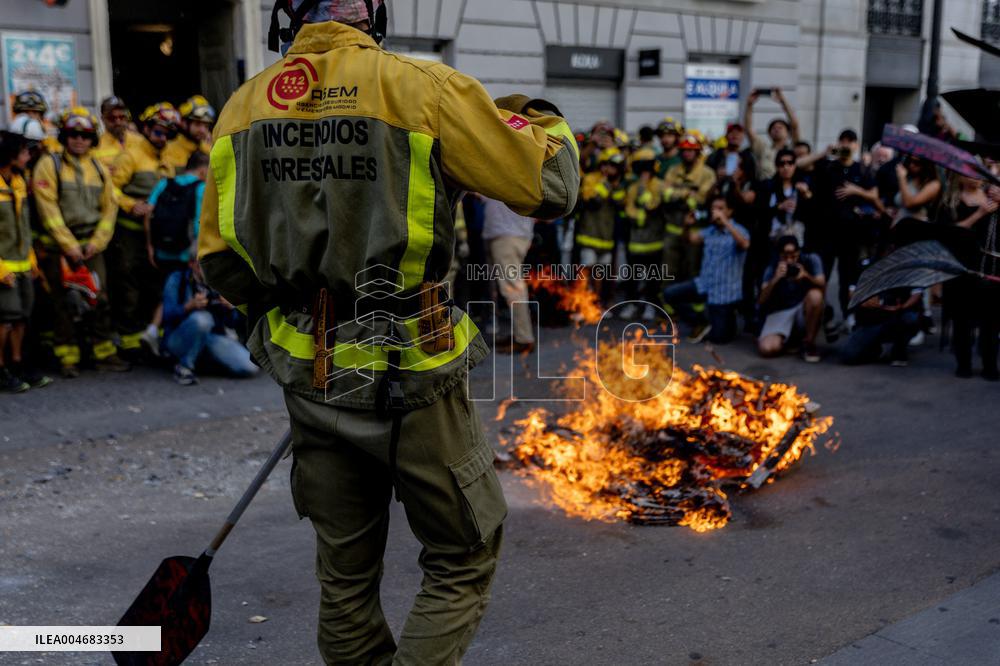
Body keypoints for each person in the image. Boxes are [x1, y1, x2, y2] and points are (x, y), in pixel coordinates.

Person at [197, 1, 579, 663]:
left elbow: (220, 259)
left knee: (344, 578)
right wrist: (536, 114)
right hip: (413, 372)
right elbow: (552, 184)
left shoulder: (243, 107)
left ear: (289, 17)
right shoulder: (424, 89)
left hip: (312, 376)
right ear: (374, 13)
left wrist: (299, 321)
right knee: (462, 554)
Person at [32, 108, 129, 377]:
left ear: (92, 139)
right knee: (63, 302)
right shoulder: (49, 165)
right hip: (60, 249)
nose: (79, 140)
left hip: (92, 247)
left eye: (85, 135)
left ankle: (104, 354)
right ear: (64, 135)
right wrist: (69, 245)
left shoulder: (98, 168)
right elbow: (47, 210)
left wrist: (97, 242)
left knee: (100, 298)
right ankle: (67, 357)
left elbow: (110, 208)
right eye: (73, 134)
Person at [109, 102, 178, 355]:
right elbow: (110, 190)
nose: (163, 138)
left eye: (168, 134)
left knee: (155, 284)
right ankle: (129, 342)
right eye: (158, 132)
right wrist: (130, 205)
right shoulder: (130, 156)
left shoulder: (167, 160)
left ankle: (154, 338)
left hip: (157, 235)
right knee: (129, 284)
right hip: (129, 233)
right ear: (146, 129)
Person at [661, 194, 750, 343]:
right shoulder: (710, 230)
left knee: (719, 339)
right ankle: (699, 322)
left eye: (720, 209)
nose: (716, 212)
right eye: (714, 208)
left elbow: (745, 244)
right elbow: (689, 239)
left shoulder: (739, 230)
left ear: (730, 211)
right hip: (705, 284)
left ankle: (728, 319)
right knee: (669, 294)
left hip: (724, 293)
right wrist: (687, 225)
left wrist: (726, 223)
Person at [0, 131, 47, 392]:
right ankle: (2, 369)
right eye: (23, 152)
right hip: (4, 266)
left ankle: (17, 364)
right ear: (10, 156)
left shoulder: (18, 182)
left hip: (22, 264)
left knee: (21, 318)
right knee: (4, 320)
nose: (28, 156)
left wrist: (32, 263)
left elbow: (25, 228)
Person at [161, 257, 256, 385]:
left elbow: (232, 323)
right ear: (191, 264)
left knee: (249, 367)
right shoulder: (178, 279)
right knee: (202, 319)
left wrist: (231, 308)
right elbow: (166, 316)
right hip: (178, 338)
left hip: (212, 338)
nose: (207, 269)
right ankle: (184, 367)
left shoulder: (217, 283)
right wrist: (188, 307)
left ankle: (201, 361)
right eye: (202, 264)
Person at [942, 176, 1000, 380]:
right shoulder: (950, 202)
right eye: (969, 173)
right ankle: (963, 363)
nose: (975, 178)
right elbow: (950, 233)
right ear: (959, 176)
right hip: (959, 267)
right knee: (962, 320)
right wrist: (980, 213)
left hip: (987, 269)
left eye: (978, 173)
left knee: (991, 321)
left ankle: (990, 366)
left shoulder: (992, 198)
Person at [757, 235, 826, 362]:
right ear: (779, 255)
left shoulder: (810, 259)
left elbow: (822, 285)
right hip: (779, 312)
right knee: (767, 349)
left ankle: (809, 343)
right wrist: (775, 279)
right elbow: (761, 300)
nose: (789, 261)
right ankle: (791, 341)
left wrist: (806, 275)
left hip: (802, 309)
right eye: (785, 257)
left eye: (793, 256)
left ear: (799, 252)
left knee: (816, 296)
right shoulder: (772, 265)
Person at [482, 196, 537, 353]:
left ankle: (524, 338)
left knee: (513, 289)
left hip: (508, 235)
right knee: (511, 288)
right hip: (503, 234)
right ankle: (520, 334)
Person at [662, 132, 716, 281]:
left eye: (691, 150)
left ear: (697, 152)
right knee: (669, 270)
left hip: (696, 230)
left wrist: (677, 193)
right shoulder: (673, 171)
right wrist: (687, 193)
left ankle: (694, 302)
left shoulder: (707, 174)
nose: (687, 154)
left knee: (693, 268)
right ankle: (667, 302)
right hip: (672, 229)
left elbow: (701, 199)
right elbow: (665, 194)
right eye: (685, 150)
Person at [575, 148, 625, 303]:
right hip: (589, 234)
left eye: (612, 166)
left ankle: (596, 303)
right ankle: (583, 303)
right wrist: (605, 185)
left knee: (601, 272)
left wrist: (614, 185)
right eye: (606, 164)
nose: (608, 169)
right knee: (585, 270)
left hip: (606, 236)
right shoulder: (591, 178)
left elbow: (620, 204)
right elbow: (592, 201)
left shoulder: (616, 183)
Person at [624, 148, 666, 321]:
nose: (644, 173)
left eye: (647, 169)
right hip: (636, 241)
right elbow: (629, 209)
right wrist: (639, 216)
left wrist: (644, 192)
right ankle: (633, 304)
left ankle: (650, 305)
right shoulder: (633, 187)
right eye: (641, 169)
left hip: (654, 240)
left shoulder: (660, 186)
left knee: (652, 276)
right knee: (633, 276)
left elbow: (652, 205)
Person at [841, 288, 923, 367]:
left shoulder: (906, 275)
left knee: (910, 318)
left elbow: (916, 294)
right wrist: (865, 301)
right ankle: (874, 349)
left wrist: (903, 306)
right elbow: (852, 292)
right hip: (872, 319)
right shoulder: (865, 274)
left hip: (898, 316)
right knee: (848, 356)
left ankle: (899, 349)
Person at [745, 87, 800, 180]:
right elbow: (748, 129)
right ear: (769, 133)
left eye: (780, 127)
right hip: (765, 189)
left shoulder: (792, 149)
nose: (776, 129)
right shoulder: (763, 148)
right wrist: (749, 105)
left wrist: (783, 101)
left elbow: (795, 125)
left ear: (788, 133)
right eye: (773, 128)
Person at [163, 95, 216, 170]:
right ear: (184, 123)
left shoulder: (208, 148)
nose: (203, 130)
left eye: (206, 126)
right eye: (197, 124)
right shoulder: (169, 150)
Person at [93, 96, 134, 173]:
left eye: (121, 117)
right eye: (112, 118)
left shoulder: (139, 140)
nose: (118, 122)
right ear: (102, 119)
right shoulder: (95, 145)